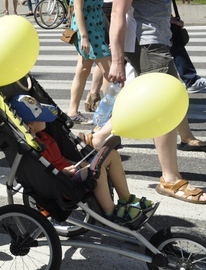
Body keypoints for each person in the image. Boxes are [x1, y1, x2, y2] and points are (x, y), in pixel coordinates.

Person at [109, 0, 206, 204]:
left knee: (170, 99)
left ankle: (96, 138)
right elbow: (119, 10)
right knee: (164, 105)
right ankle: (170, 178)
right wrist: (115, 59)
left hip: (160, 35)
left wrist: (170, 18)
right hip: (147, 43)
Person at [9, 94, 156, 227]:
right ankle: (110, 212)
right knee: (96, 171)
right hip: (63, 182)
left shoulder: (44, 137)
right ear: (29, 126)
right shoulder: (32, 148)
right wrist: (65, 172)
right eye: (41, 118)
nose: (46, 120)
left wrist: (76, 164)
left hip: (73, 171)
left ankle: (126, 199)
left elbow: (61, 159)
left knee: (112, 155)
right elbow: (45, 171)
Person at [66, 0, 111, 125]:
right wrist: (84, 36)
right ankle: (106, 116)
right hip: (88, 29)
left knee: (83, 70)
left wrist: (110, 27)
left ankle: (72, 112)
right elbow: (77, 7)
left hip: (96, 25)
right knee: (111, 72)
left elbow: (98, 7)